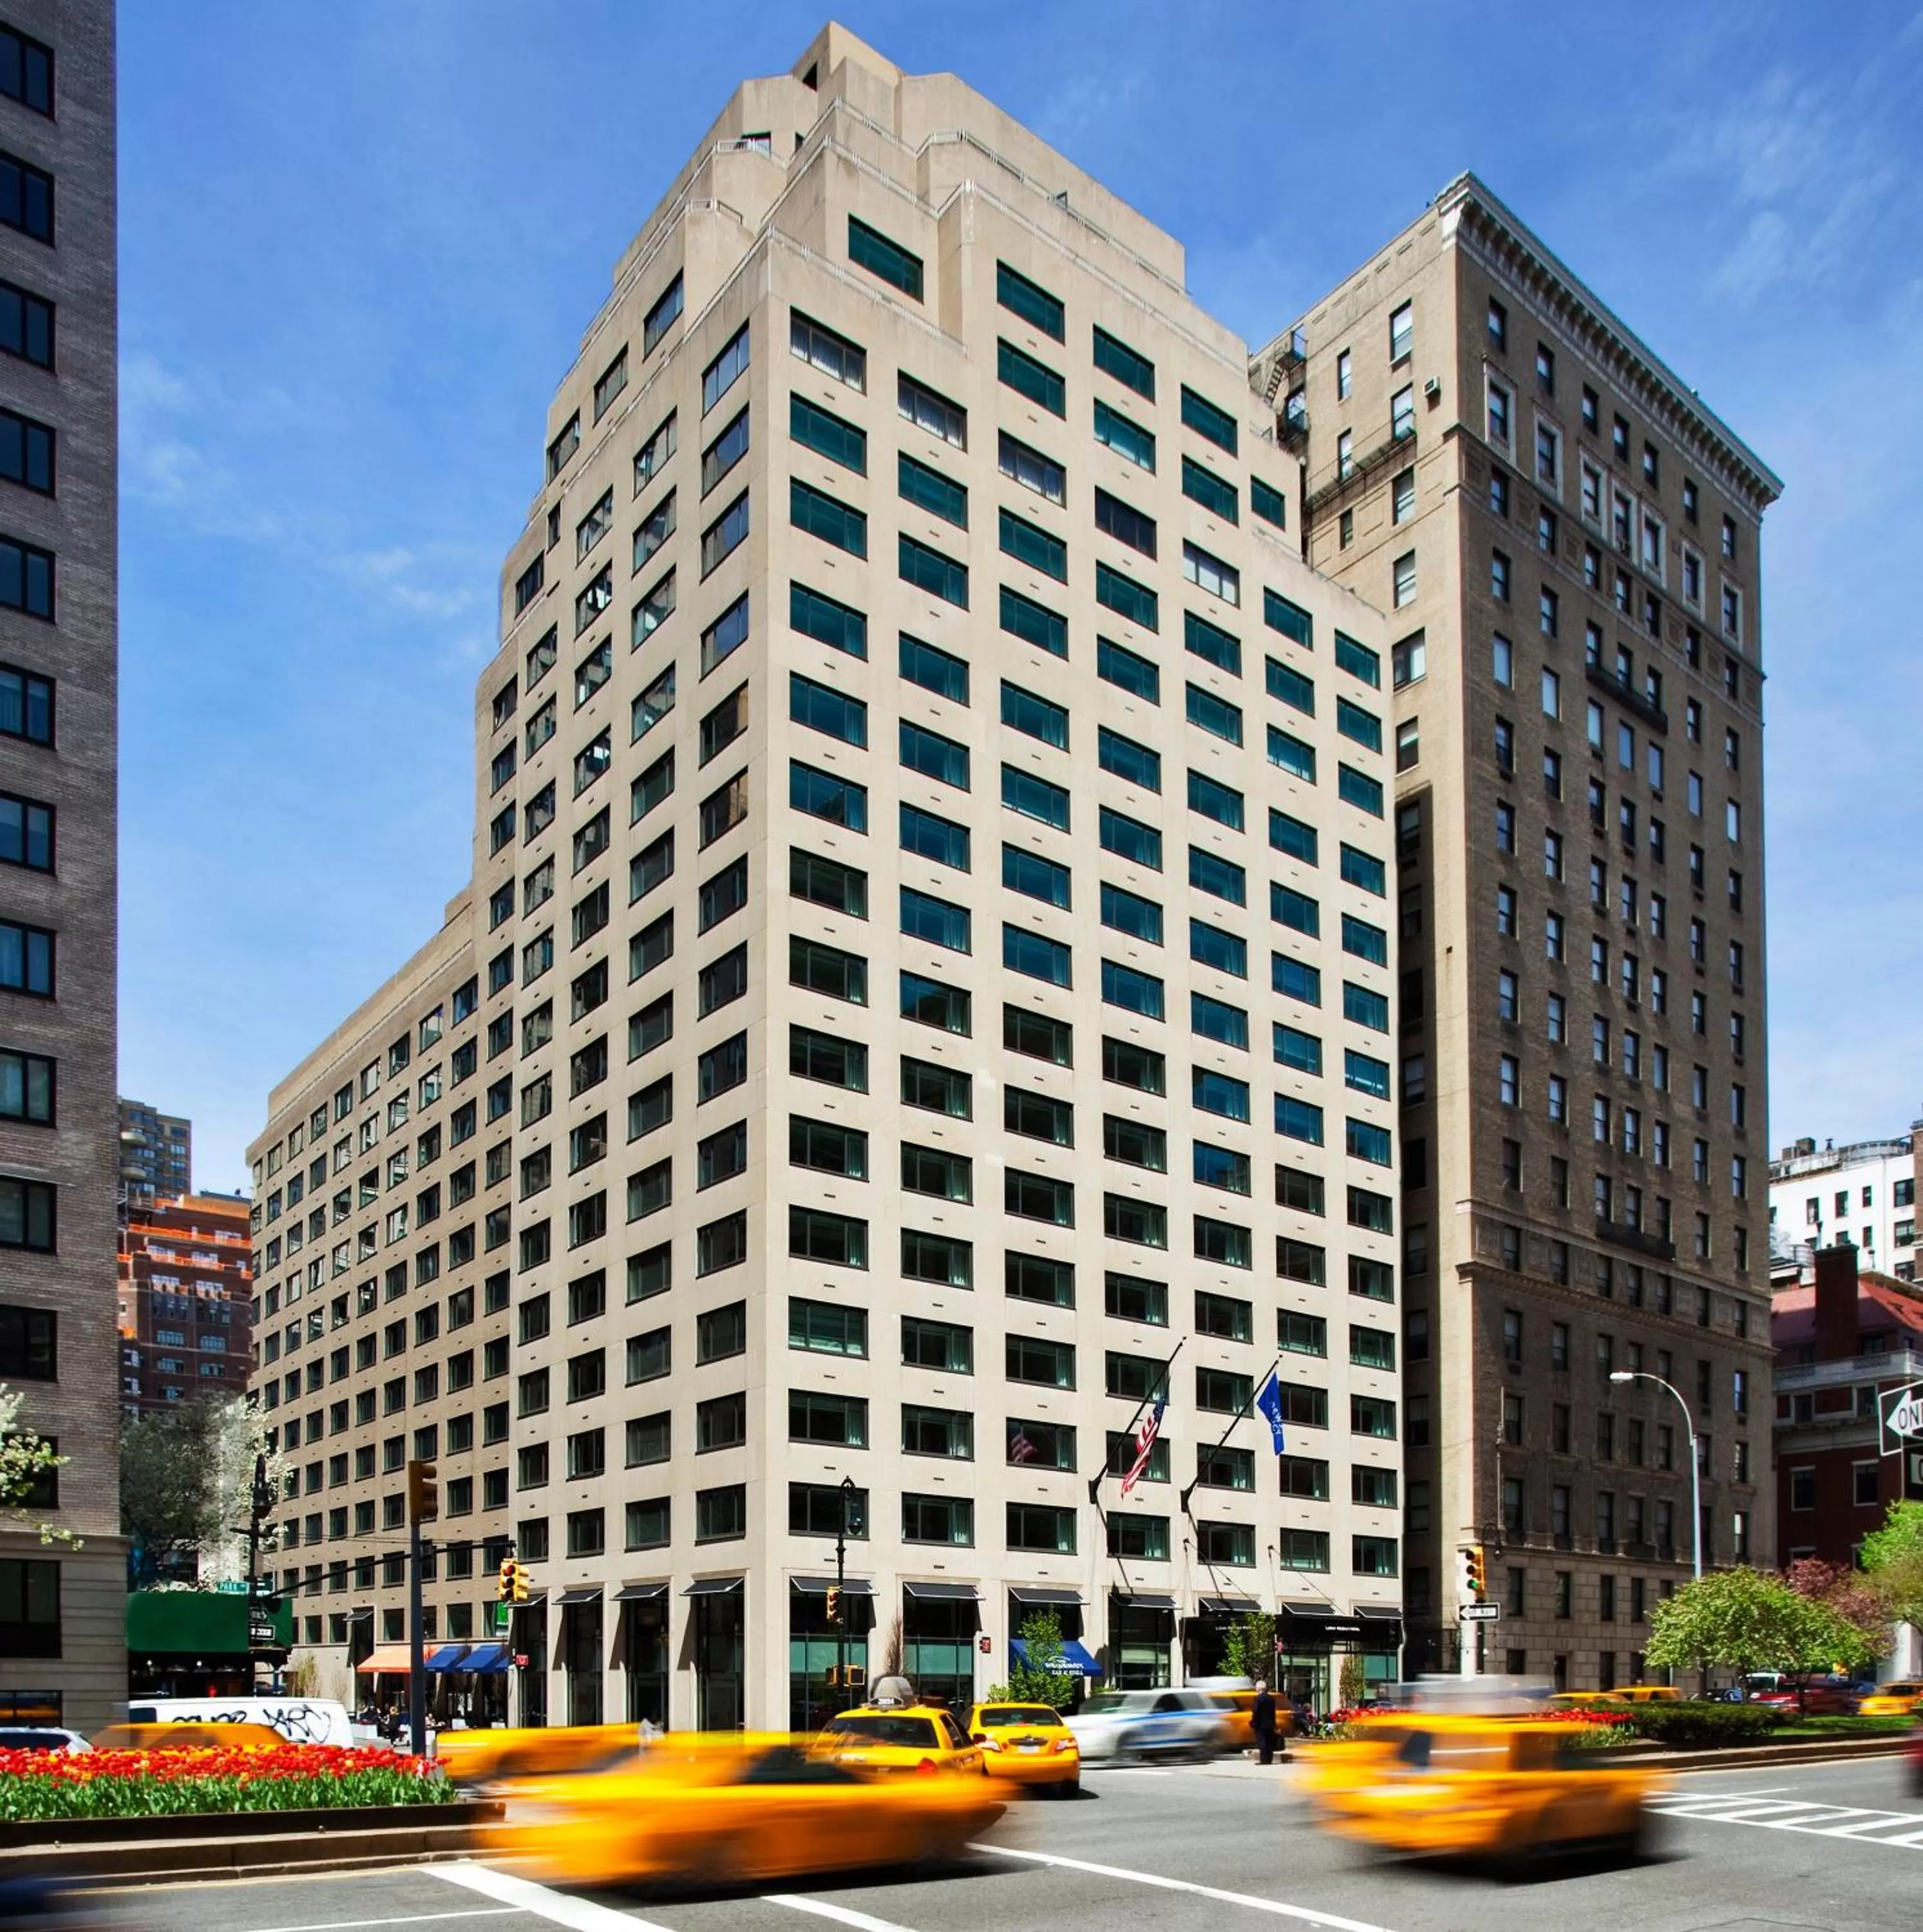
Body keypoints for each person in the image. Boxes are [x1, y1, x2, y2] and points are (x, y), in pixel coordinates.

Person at [1251, 1678, 1278, 1765]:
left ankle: (1264, 1760)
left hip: (1260, 1724)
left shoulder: (1258, 1699)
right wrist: (1274, 1724)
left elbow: (1256, 1711)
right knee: (1269, 1742)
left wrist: (1254, 1722)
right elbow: (1273, 1713)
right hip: (1270, 1724)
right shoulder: (1271, 1699)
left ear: (1259, 1689)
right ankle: (1269, 1759)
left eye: (1256, 1688)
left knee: (1262, 1742)